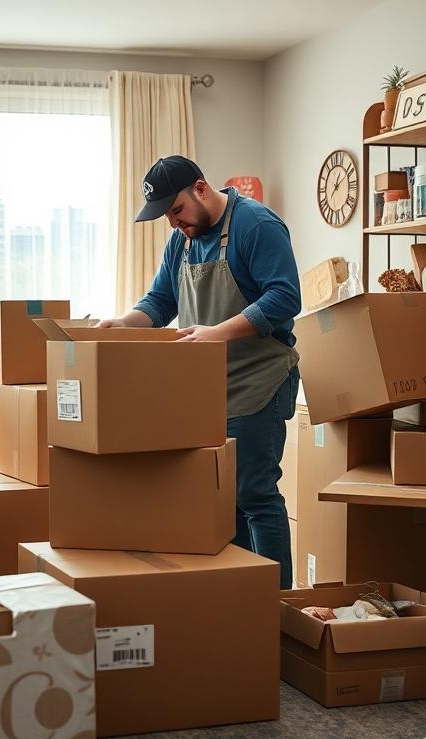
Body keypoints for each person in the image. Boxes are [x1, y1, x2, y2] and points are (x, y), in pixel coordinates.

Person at [101, 156, 301, 588]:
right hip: (206, 388)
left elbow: (285, 298)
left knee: (254, 494)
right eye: (167, 217)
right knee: (221, 499)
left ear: (201, 189)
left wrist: (218, 334)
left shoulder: (255, 225)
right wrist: (122, 323)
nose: (174, 224)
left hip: (259, 381)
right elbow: (159, 301)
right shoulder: (183, 240)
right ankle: (239, 594)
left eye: (176, 210)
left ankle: (278, 608)